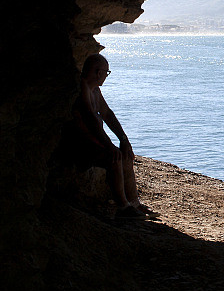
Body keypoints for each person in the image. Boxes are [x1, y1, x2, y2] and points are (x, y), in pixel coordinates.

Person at [64, 53, 158, 219]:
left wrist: (123, 139)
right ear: (98, 72)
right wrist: (109, 145)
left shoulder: (95, 90)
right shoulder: (82, 88)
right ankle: (123, 207)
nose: (106, 77)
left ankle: (134, 203)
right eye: (106, 73)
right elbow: (90, 119)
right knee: (113, 158)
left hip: (93, 143)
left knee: (125, 155)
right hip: (80, 145)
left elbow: (107, 114)